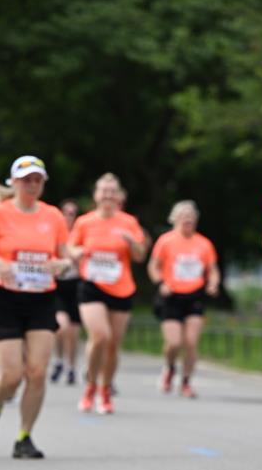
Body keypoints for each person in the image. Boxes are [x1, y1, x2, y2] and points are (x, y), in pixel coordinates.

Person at [0, 155, 70, 458]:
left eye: (37, 179)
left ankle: (24, 437)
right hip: (5, 299)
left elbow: (66, 259)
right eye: (26, 179)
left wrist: (60, 265)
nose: (32, 184)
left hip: (41, 298)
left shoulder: (53, 216)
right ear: (13, 183)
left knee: (37, 372)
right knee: (12, 374)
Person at [69, 173, 146, 414]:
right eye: (104, 191)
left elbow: (140, 255)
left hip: (121, 287)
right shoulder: (84, 222)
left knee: (113, 345)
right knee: (100, 336)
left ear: (119, 196)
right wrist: (76, 252)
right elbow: (69, 247)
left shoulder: (129, 222)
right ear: (96, 195)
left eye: (112, 191)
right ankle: (90, 386)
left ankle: (105, 389)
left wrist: (132, 243)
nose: (108, 195)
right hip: (91, 285)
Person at [148, 200, 220, 397]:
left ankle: (186, 382)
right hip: (171, 296)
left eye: (191, 216)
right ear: (175, 219)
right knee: (174, 342)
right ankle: (170, 367)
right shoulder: (165, 241)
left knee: (191, 343)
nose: (188, 220)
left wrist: (213, 283)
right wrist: (160, 283)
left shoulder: (204, 244)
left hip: (194, 295)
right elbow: (153, 266)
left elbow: (212, 270)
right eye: (183, 216)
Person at [50, 198, 81, 385]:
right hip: (59, 285)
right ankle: (58, 359)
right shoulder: (55, 234)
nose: (69, 217)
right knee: (62, 327)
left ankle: (71, 366)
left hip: (76, 285)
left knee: (74, 332)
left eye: (72, 214)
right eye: (66, 213)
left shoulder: (79, 234)